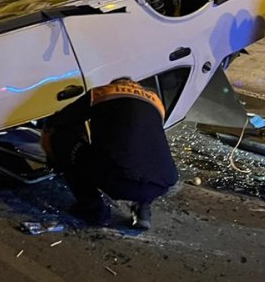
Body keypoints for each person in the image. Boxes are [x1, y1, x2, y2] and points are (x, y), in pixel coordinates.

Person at [41, 77, 179, 229]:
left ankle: (94, 209)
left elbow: (60, 120)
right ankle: (143, 209)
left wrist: (52, 150)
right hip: (160, 184)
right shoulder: (156, 102)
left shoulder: (101, 93)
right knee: (142, 153)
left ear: (114, 83)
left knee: (62, 139)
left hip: (116, 180)